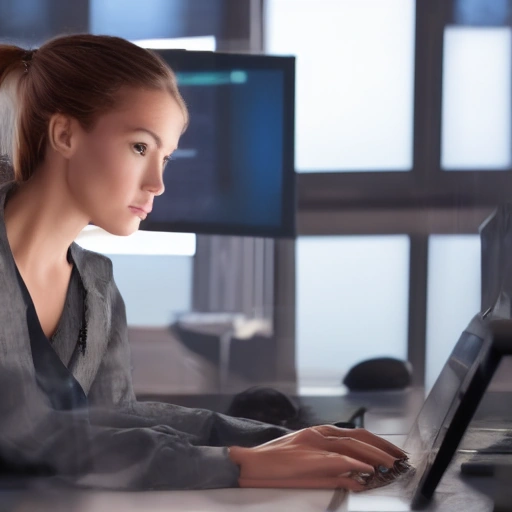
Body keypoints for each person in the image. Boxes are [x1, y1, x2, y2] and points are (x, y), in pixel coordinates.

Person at [0, 34, 408, 491]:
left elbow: (112, 415)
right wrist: (236, 463)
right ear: (65, 134)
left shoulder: (96, 280)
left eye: (166, 158)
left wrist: (281, 439)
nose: (157, 183)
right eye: (139, 147)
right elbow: (21, 432)